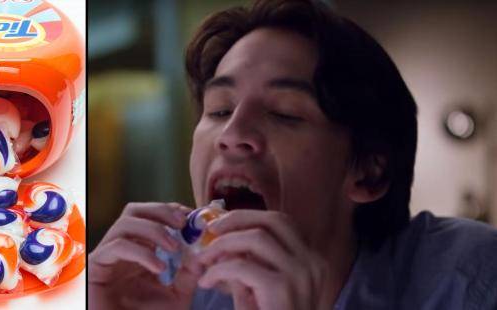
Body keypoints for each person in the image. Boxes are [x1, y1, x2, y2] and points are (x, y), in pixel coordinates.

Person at [88, 0, 497, 309]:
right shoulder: (172, 288)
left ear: (368, 173)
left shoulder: (472, 277)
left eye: (283, 113)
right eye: (219, 110)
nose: (232, 135)